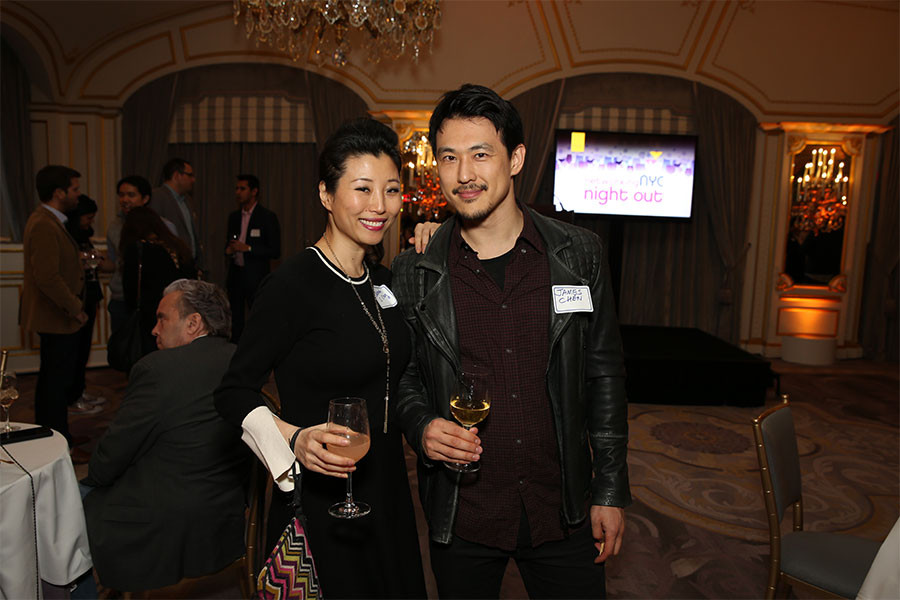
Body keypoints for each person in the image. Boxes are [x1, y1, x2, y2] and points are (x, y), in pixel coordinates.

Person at [391, 84, 631, 599]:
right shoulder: (416, 269)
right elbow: (404, 375)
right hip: (465, 512)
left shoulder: (578, 254)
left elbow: (603, 373)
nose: (464, 175)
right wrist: (422, 424)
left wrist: (609, 488)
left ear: (516, 158)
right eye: (449, 157)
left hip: (562, 505)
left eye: (481, 154)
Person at [215, 118, 426, 599]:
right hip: (324, 496)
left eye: (391, 190)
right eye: (363, 189)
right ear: (327, 195)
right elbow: (232, 392)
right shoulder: (293, 285)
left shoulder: (384, 281)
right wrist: (294, 437)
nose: (380, 206)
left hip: (387, 488)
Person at [82, 279, 251, 592]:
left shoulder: (157, 369)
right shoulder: (243, 361)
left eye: (162, 318)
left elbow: (107, 462)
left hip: (162, 524)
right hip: (224, 516)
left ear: (193, 323)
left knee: (59, 504)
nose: (154, 330)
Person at [20, 165, 88, 447]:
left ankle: (54, 436)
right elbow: (47, 277)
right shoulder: (44, 224)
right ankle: (56, 440)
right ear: (59, 193)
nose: (78, 194)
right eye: (74, 189)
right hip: (56, 318)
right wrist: (75, 307)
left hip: (57, 317)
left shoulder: (51, 221)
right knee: (54, 385)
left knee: (54, 381)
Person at [120, 206, 196, 358]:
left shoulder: (138, 249)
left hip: (151, 316)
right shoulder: (177, 246)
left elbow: (131, 292)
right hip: (183, 310)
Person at [64, 194, 108, 414]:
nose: (90, 222)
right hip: (76, 298)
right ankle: (72, 396)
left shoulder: (84, 235)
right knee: (74, 350)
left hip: (90, 295)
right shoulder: (67, 234)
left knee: (83, 349)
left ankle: (79, 391)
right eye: (88, 217)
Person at [225, 173, 281, 341]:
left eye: (242, 188)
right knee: (235, 320)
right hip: (236, 275)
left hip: (256, 278)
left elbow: (275, 251)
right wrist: (229, 250)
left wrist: (248, 248)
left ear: (254, 191)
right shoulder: (234, 217)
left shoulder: (267, 217)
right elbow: (229, 243)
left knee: (258, 320)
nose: (238, 192)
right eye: (236, 188)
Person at [150, 158, 203, 274]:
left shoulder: (187, 200)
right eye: (190, 175)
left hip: (188, 264)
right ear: (177, 175)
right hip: (170, 265)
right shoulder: (157, 197)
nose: (193, 180)